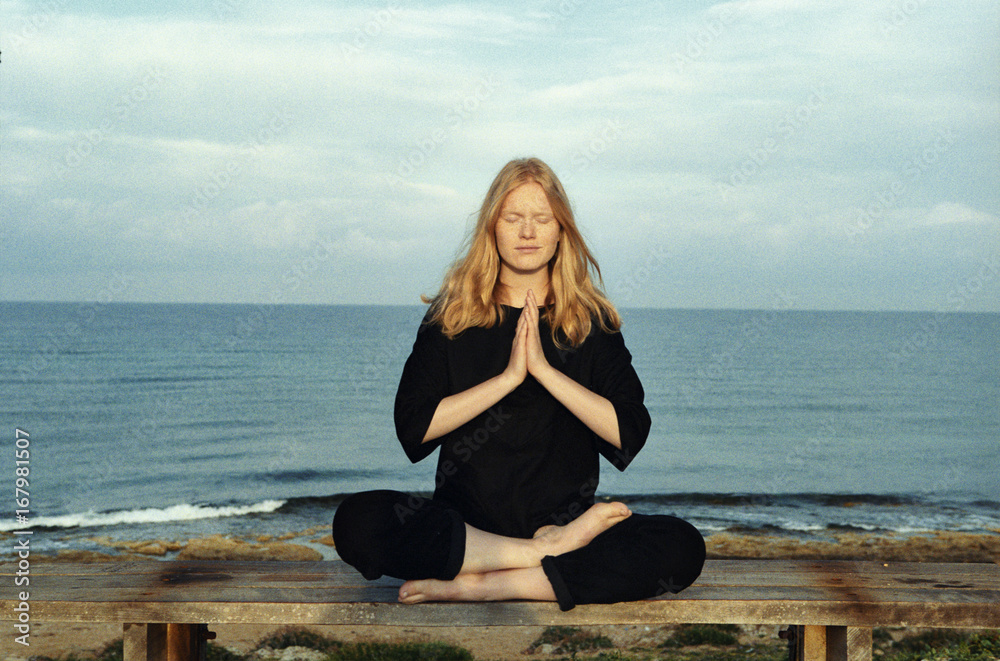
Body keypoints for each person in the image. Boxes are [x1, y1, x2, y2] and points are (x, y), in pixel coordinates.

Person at [332, 157, 705, 610]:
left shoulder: (591, 323)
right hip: (468, 533)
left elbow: (629, 431)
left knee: (681, 547)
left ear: (560, 230)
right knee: (357, 521)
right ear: (492, 227)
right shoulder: (451, 317)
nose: (527, 232)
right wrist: (509, 377)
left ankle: (487, 585)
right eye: (513, 218)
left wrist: (546, 372)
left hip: (567, 525)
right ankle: (534, 559)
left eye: (541, 219)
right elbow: (414, 427)